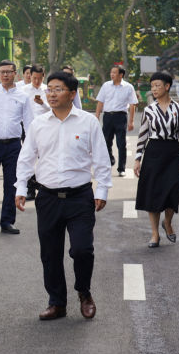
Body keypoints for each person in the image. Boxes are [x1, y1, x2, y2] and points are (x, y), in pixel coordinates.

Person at [15, 70, 112, 321]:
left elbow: (101, 159)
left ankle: (84, 292)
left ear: (72, 94)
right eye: (49, 89)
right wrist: (21, 188)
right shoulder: (38, 124)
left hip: (79, 197)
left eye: (58, 89)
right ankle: (57, 303)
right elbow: (26, 158)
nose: (51, 94)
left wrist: (102, 189)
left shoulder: (88, 122)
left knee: (82, 249)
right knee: (50, 253)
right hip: (47, 197)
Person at [133, 71, 179, 248]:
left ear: (167, 86)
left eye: (157, 86)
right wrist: (137, 158)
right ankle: (155, 234)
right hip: (153, 152)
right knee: (153, 192)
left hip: (172, 152)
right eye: (152, 86)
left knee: (172, 191)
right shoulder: (149, 110)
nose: (154, 89)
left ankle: (167, 222)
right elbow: (143, 134)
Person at [0, 60, 35, 234]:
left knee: (11, 184)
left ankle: (7, 221)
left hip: (13, 145)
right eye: (2, 72)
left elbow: (29, 123)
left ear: (15, 74)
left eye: (8, 72)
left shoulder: (23, 96)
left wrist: (31, 147)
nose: (5, 75)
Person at [95, 66, 138, 177]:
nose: (112, 74)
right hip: (108, 116)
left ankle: (121, 168)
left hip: (121, 117)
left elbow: (132, 104)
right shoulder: (106, 86)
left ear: (121, 75)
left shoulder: (128, 87)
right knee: (106, 142)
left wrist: (131, 121)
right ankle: (110, 160)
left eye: (114, 72)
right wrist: (97, 116)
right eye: (111, 72)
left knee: (121, 143)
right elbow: (100, 101)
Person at [22, 64, 50, 200]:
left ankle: (46, 188)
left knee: (45, 160)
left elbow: (53, 109)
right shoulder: (23, 90)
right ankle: (30, 189)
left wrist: (42, 103)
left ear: (43, 77)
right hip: (28, 130)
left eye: (39, 78)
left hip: (45, 129)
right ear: (30, 76)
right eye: (34, 78)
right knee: (28, 160)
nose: (37, 81)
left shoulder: (48, 90)